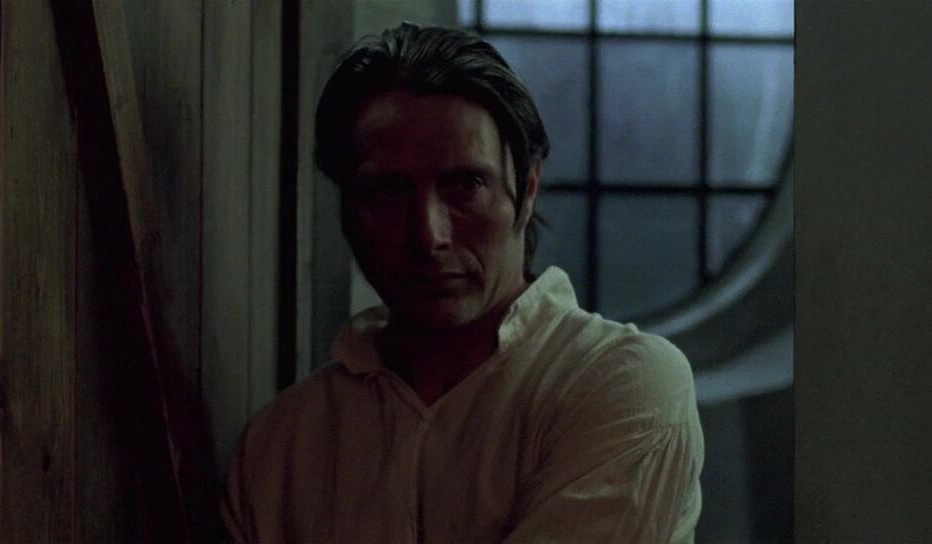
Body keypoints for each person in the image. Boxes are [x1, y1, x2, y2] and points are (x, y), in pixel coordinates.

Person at [221, 22, 704, 543]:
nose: (429, 236)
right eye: (387, 192)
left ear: (528, 188)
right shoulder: (284, 444)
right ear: (346, 208)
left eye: (466, 185)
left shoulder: (616, 383)